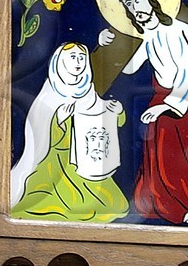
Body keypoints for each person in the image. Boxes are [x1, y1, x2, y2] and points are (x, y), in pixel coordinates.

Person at [99, 0, 188, 229]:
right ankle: (168, 206)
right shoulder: (149, 36)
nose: (135, 8)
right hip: (164, 98)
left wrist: (167, 106)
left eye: (138, 0)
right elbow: (129, 67)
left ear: (152, 1)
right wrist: (109, 41)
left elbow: (187, 71)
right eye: (129, 5)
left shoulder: (176, 30)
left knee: (176, 151)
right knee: (155, 148)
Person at [10, 43, 129, 223]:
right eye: (73, 57)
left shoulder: (88, 91)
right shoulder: (50, 93)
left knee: (111, 204)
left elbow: (104, 118)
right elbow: (39, 127)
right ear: (61, 61)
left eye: (81, 58)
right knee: (47, 201)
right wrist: (59, 119)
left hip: (83, 161)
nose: (78, 62)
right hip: (56, 162)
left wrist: (117, 111)